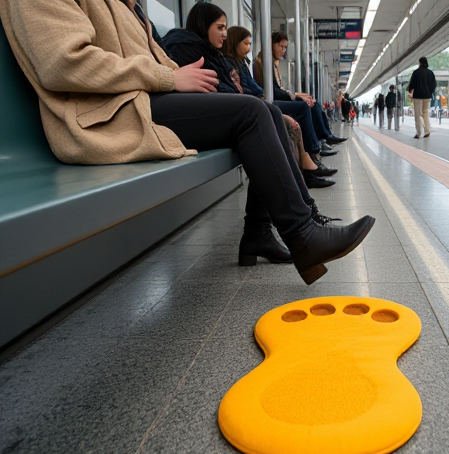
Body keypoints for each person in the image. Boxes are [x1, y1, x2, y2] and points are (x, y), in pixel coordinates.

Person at [0, 0, 374, 285]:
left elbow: (161, 65)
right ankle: (304, 236)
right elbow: (63, 62)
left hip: (137, 102)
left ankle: (264, 233)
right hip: (109, 115)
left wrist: (169, 76)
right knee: (253, 114)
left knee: (269, 113)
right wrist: (165, 77)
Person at [163, 8, 335, 189]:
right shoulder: (190, 50)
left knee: (279, 115)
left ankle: (300, 190)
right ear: (204, 27)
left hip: (229, 109)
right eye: (220, 27)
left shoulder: (223, 58)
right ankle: (302, 185)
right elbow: (233, 90)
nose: (224, 34)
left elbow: (235, 89)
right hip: (207, 118)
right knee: (274, 116)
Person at [254, 31, 346, 147]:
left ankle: (325, 137)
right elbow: (273, 90)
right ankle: (315, 145)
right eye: (280, 46)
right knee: (305, 106)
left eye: (285, 48)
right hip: (273, 101)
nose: (283, 51)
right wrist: (296, 95)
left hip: (280, 97)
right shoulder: (263, 63)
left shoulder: (272, 64)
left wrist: (298, 95)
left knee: (313, 103)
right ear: (272, 45)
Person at [407, 56, 437, 138]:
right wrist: (430, 91)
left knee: (418, 114)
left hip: (418, 96)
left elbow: (412, 84)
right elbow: (434, 85)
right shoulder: (430, 73)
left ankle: (418, 133)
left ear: (420, 63)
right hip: (427, 96)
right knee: (425, 113)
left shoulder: (416, 72)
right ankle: (427, 131)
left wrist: (410, 90)